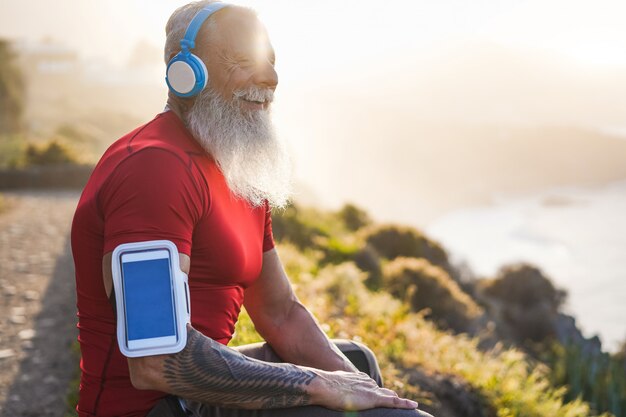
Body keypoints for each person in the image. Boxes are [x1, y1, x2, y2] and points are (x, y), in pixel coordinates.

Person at [71, 2, 434, 416]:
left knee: (360, 364)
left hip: (198, 399)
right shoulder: (154, 168)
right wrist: (318, 385)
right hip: (153, 408)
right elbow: (155, 361)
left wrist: (369, 394)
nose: (271, 78)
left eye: (272, 63)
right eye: (244, 61)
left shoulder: (238, 171)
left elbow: (281, 314)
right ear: (184, 73)